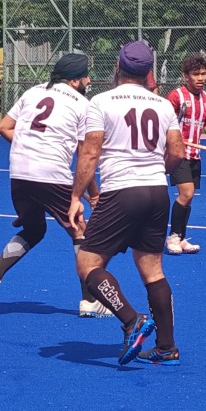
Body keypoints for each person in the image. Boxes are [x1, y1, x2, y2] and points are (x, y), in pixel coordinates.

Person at [68, 41, 185, 366]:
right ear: (149, 73)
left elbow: (90, 153)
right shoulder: (163, 105)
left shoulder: (101, 101)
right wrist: (155, 171)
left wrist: (76, 196)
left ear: (118, 67)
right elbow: (177, 152)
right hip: (157, 192)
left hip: (121, 191)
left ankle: (132, 320)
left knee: (88, 265)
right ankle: (166, 348)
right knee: (153, 270)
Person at [0, 53, 109, 318]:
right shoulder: (83, 104)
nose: (89, 80)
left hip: (19, 173)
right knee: (79, 229)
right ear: (74, 81)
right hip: (51, 174)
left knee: (34, 229)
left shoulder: (33, 92)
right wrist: (94, 194)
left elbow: (3, 127)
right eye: (85, 76)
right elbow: (85, 155)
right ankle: (89, 301)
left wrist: (31, 143)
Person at [164, 52, 206, 255]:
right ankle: (173, 237)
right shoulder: (176, 96)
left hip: (194, 154)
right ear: (186, 76)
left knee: (189, 198)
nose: (200, 78)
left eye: (203, 73)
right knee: (186, 193)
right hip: (177, 154)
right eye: (195, 74)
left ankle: (181, 237)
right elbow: (163, 121)